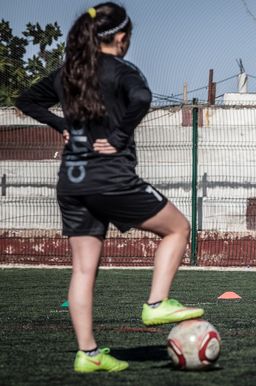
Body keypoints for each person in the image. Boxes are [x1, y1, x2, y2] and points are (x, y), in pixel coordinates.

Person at [15, 2, 203, 373]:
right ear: (121, 37)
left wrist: (60, 126)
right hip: (111, 179)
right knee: (178, 228)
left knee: (83, 271)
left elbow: (26, 100)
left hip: (72, 182)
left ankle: (88, 354)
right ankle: (156, 303)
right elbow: (143, 99)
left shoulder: (69, 71)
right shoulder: (122, 69)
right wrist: (118, 135)